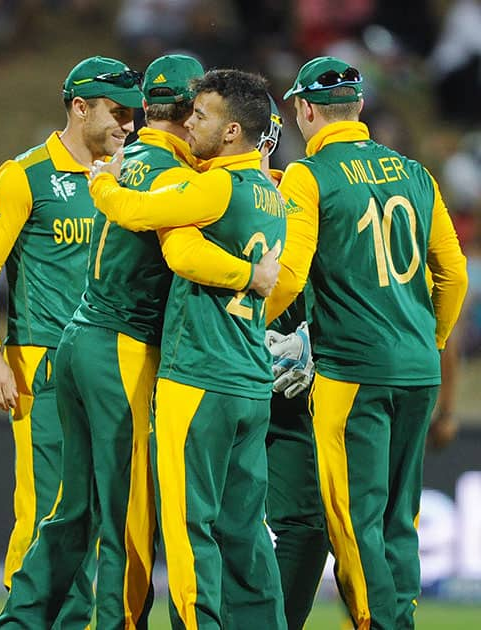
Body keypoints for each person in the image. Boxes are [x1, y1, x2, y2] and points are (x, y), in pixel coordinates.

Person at [0, 56, 281, 630]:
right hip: (123, 350)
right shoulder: (175, 175)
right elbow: (183, 253)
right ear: (187, 114)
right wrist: (252, 274)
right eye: (197, 110)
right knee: (128, 519)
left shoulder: (131, 158)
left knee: (69, 511)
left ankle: (20, 622)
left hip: (80, 337)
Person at [266, 56, 469, 629]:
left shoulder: (311, 174)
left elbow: (290, 277)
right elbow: (453, 276)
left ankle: (382, 624)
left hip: (352, 372)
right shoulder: (413, 172)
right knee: (399, 520)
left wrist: (248, 327)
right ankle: (396, 615)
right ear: (359, 109)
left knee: (353, 522)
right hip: (417, 371)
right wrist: (427, 341)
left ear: (305, 109)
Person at [88, 68, 289, 629]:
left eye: (201, 114)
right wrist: (252, 274)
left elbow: (144, 219)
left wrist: (103, 180)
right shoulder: (271, 195)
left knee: (187, 529)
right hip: (251, 380)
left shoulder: (214, 187)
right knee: (246, 533)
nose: (188, 121)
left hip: (199, 376)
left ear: (231, 133)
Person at [0, 55, 143, 628]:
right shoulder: (26, 176)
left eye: (134, 114)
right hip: (42, 361)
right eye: (116, 112)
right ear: (79, 107)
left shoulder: (131, 174)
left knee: (102, 514)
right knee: (48, 512)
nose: (129, 125)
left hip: (117, 360)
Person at [257, 96, 330, 630]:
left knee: (308, 525)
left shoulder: (298, 195)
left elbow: (339, 291)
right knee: (207, 530)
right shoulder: (184, 195)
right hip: (209, 380)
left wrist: (313, 342)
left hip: (290, 389)